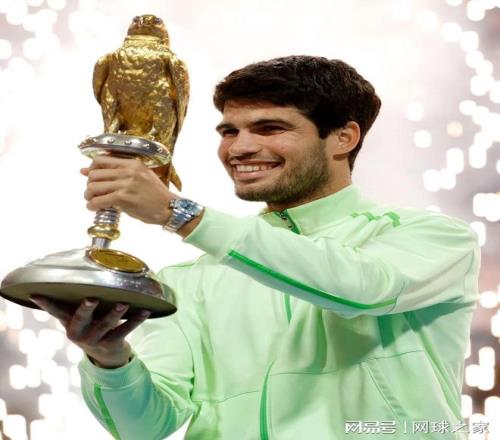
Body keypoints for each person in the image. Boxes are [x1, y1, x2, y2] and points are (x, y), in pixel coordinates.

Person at [30, 56, 480, 440]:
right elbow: (146, 427)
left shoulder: (432, 237)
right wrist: (110, 360)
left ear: (344, 137)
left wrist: (176, 212)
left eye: (269, 128)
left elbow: (360, 288)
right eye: (229, 131)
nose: (240, 148)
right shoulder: (189, 280)